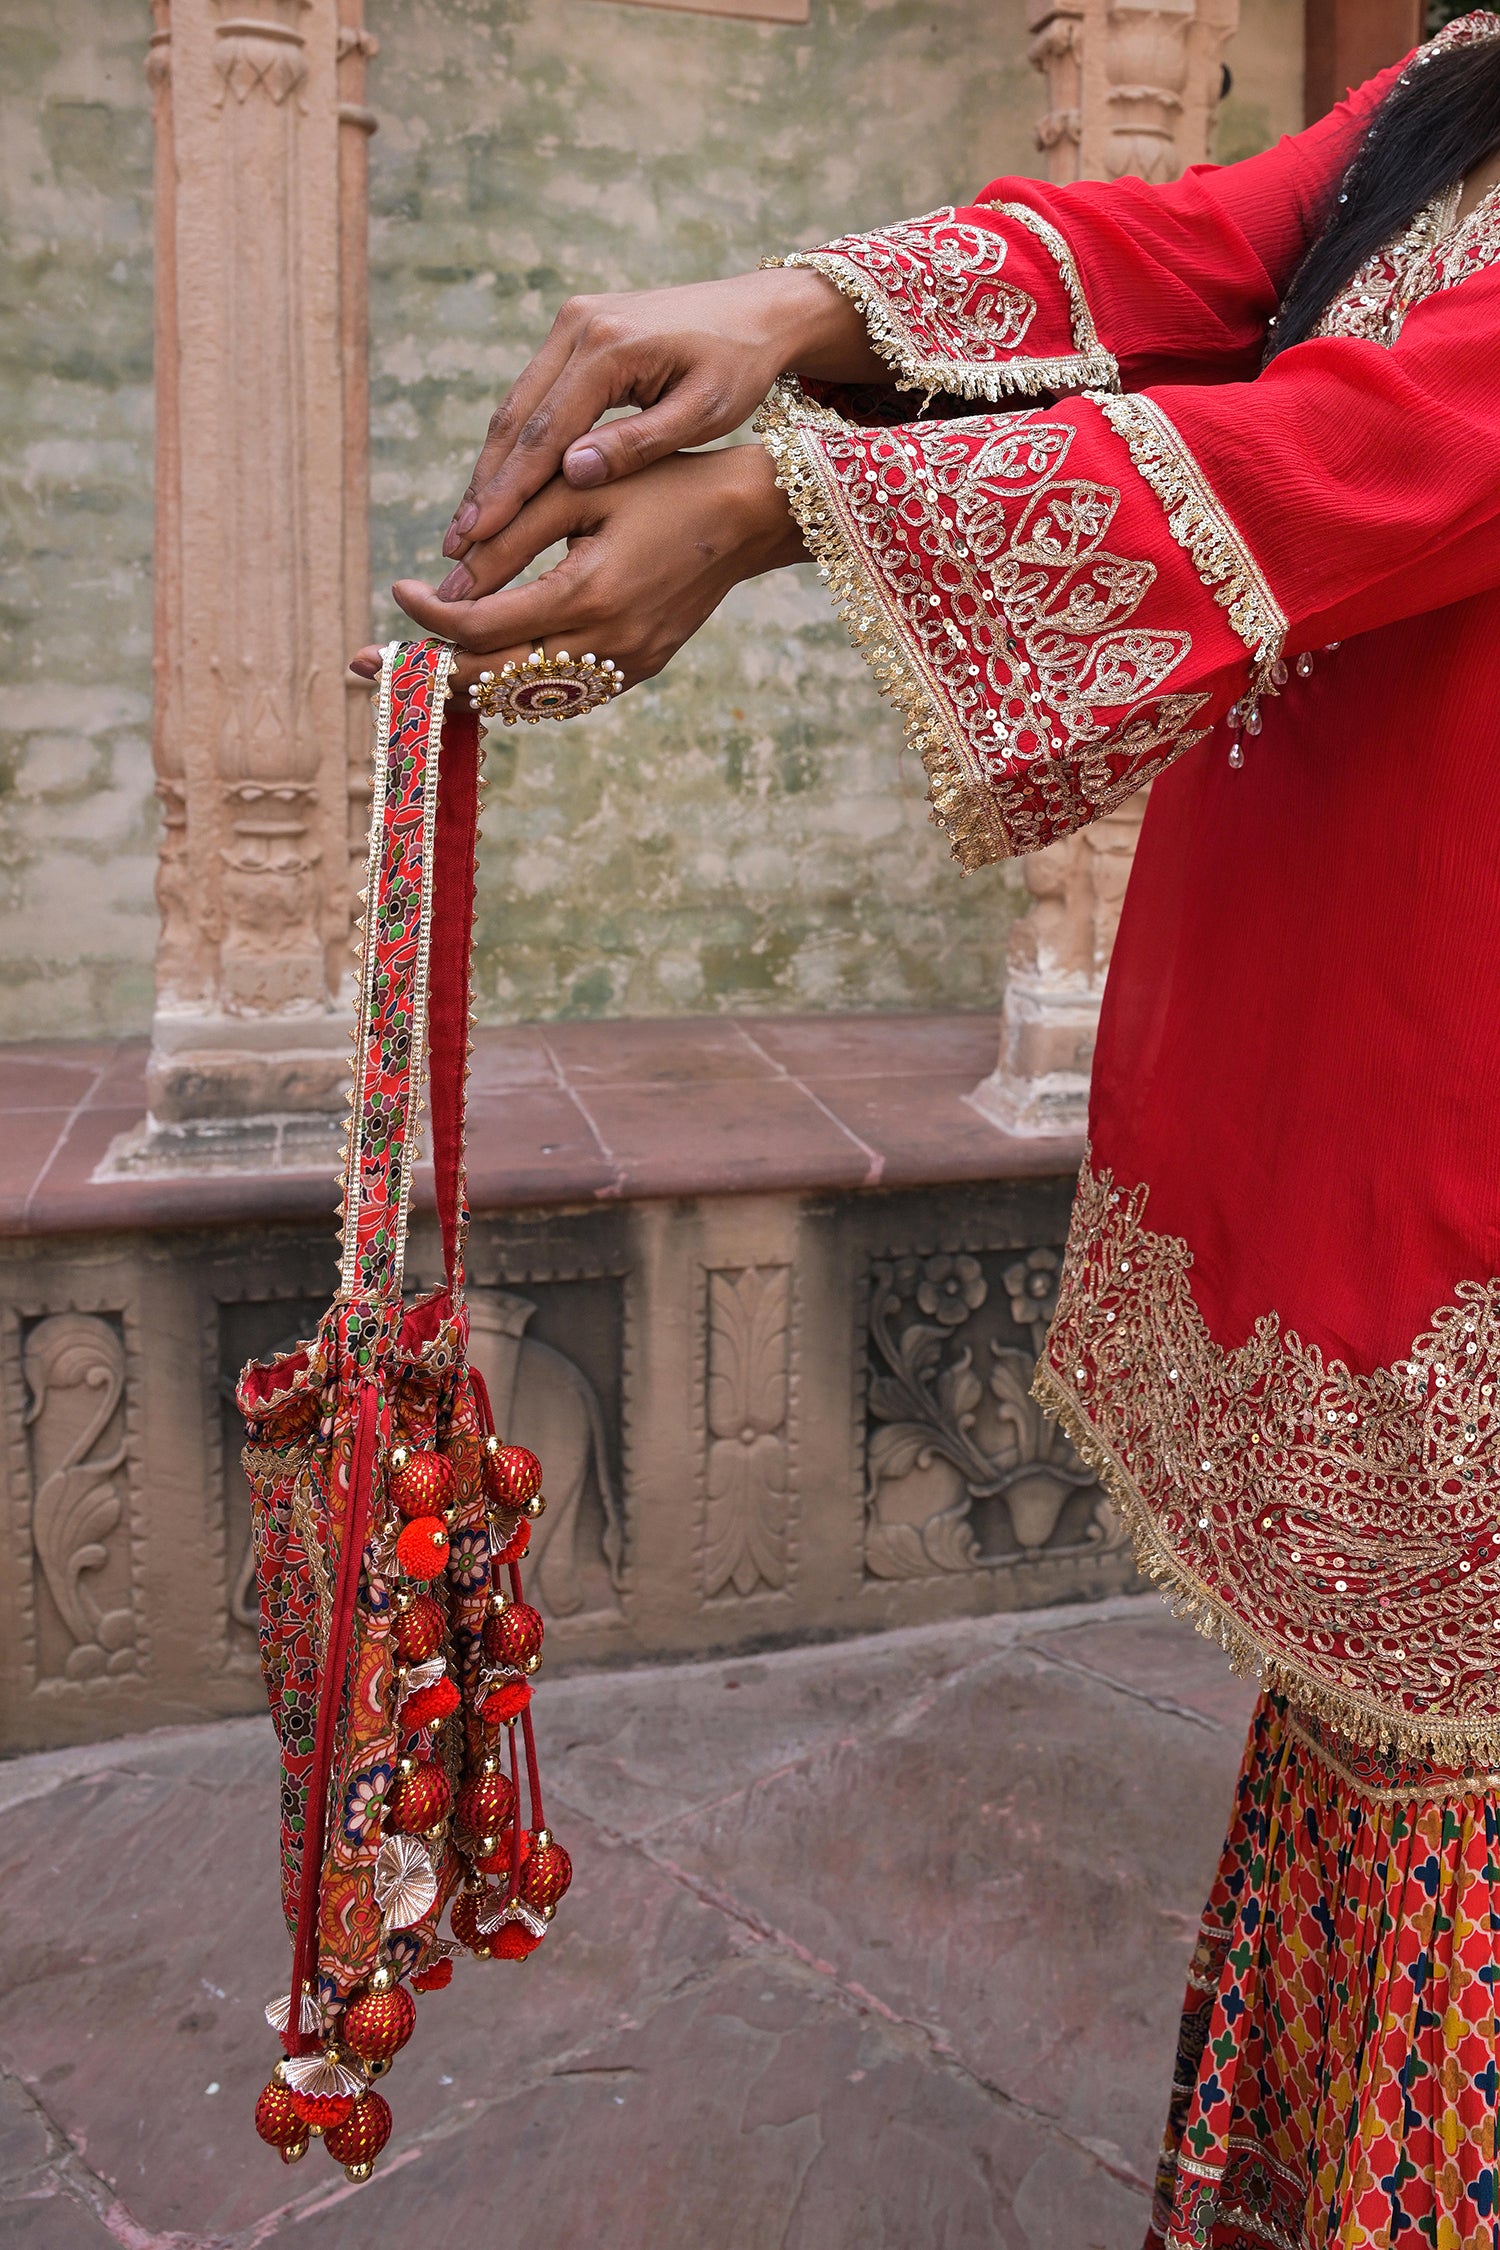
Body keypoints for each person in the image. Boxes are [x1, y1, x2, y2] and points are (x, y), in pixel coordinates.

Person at [351, 11, 1500, 2243]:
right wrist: (800, 307)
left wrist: (779, 502)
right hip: (1351, 1057)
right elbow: (1189, 245)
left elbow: (1381, 444)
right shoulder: (1467, 79)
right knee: (1382, 1743)